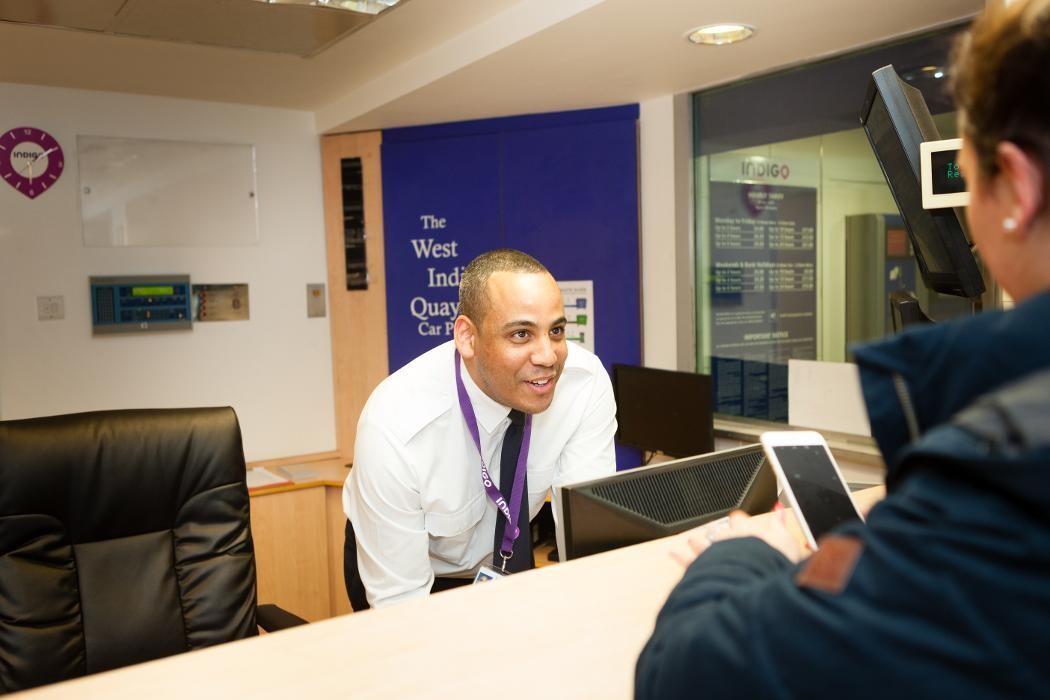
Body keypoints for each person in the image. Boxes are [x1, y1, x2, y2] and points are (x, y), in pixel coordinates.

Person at [635, 1, 1050, 697]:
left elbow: (688, 674)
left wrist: (741, 554)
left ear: (1016, 189)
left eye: (969, 178)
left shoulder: (1003, 470)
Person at [342, 248, 617, 609]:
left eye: (557, 331)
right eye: (521, 334)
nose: (548, 356)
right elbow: (401, 611)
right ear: (468, 338)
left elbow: (588, 550)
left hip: (502, 572)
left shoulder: (584, 384)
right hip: (419, 576)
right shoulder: (396, 426)